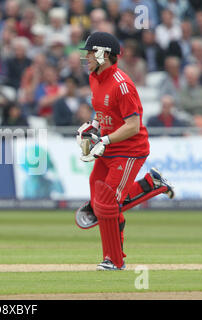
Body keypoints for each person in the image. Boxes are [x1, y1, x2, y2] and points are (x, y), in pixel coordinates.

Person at [75, 32, 175, 271]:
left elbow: (132, 126)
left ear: (104, 54)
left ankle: (114, 260)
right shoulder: (94, 77)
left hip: (130, 149)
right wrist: (94, 127)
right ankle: (152, 183)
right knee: (99, 194)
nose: (87, 56)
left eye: (91, 52)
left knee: (108, 203)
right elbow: (103, 113)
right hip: (110, 147)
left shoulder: (123, 85)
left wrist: (105, 140)